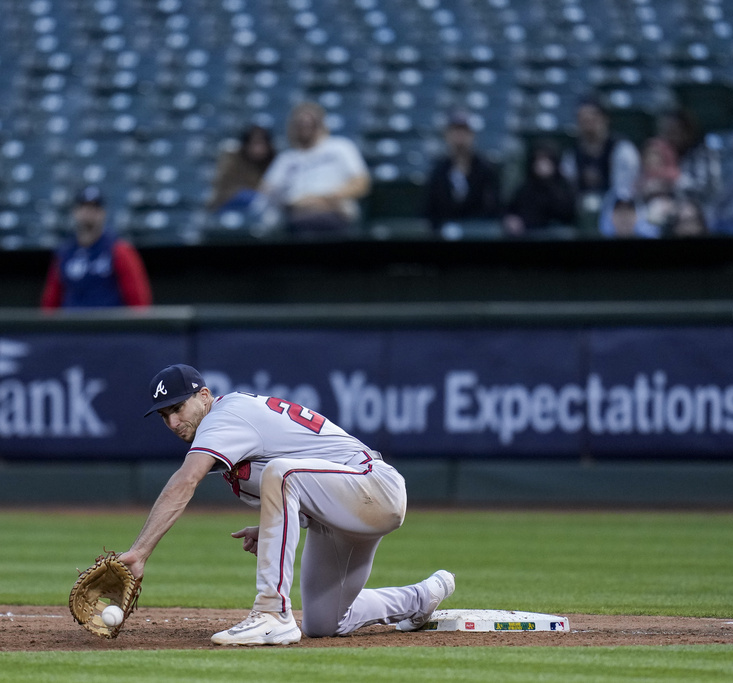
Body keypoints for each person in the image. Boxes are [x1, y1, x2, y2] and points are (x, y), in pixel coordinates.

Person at [117, 364, 455, 645]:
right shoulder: (228, 425)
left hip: (374, 484)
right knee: (324, 622)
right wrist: (270, 527)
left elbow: (185, 481)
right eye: (164, 415)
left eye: (177, 408)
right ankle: (421, 598)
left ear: (204, 396)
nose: (173, 422)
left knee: (281, 474)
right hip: (343, 508)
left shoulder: (223, 416)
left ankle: (271, 611)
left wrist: (140, 552)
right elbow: (310, 493)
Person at [260, 101, 371, 237]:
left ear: (320, 124)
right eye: (300, 125)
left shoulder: (340, 147)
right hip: (294, 215)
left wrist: (324, 199)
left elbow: (361, 183)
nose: (305, 128)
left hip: (334, 212)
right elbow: (267, 191)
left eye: (310, 124)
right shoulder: (286, 158)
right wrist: (295, 203)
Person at [40, 186, 152, 309]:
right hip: (72, 325)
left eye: (95, 207)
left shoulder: (119, 250)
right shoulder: (65, 253)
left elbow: (139, 301)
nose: (89, 212)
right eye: (84, 206)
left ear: (103, 212)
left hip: (109, 325)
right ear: (75, 211)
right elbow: (50, 302)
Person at [423, 109, 502, 234]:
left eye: (464, 132)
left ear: (472, 135)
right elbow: (429, 209)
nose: (460, 137)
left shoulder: (486, 170)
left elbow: (493, 209)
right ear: (447, 135)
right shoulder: (438, 171)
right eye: (455, 131)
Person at [560, 95, 641, 217]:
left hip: (617, 212)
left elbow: (624, 191)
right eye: (583, 120)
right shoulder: (571, 155)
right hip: (582, 211)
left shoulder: (622, 149)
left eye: (592, 118)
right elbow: (568, 189)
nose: (588, 124)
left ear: (605, 119)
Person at [502, 139, 576, 236]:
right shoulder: (525, 187)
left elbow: (567, 213)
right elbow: (510, 210)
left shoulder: (564, 186)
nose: (541, 164)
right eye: (538, 159)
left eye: (546, 159)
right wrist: (511, 219)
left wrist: (548, 182)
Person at [207, 124, 276, 213]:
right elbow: (224, 189)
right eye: (255, 143)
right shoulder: (232, 160)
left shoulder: (274, 160)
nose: (259, 149)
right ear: (246, 144)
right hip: (226, 205)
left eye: (263, 144)